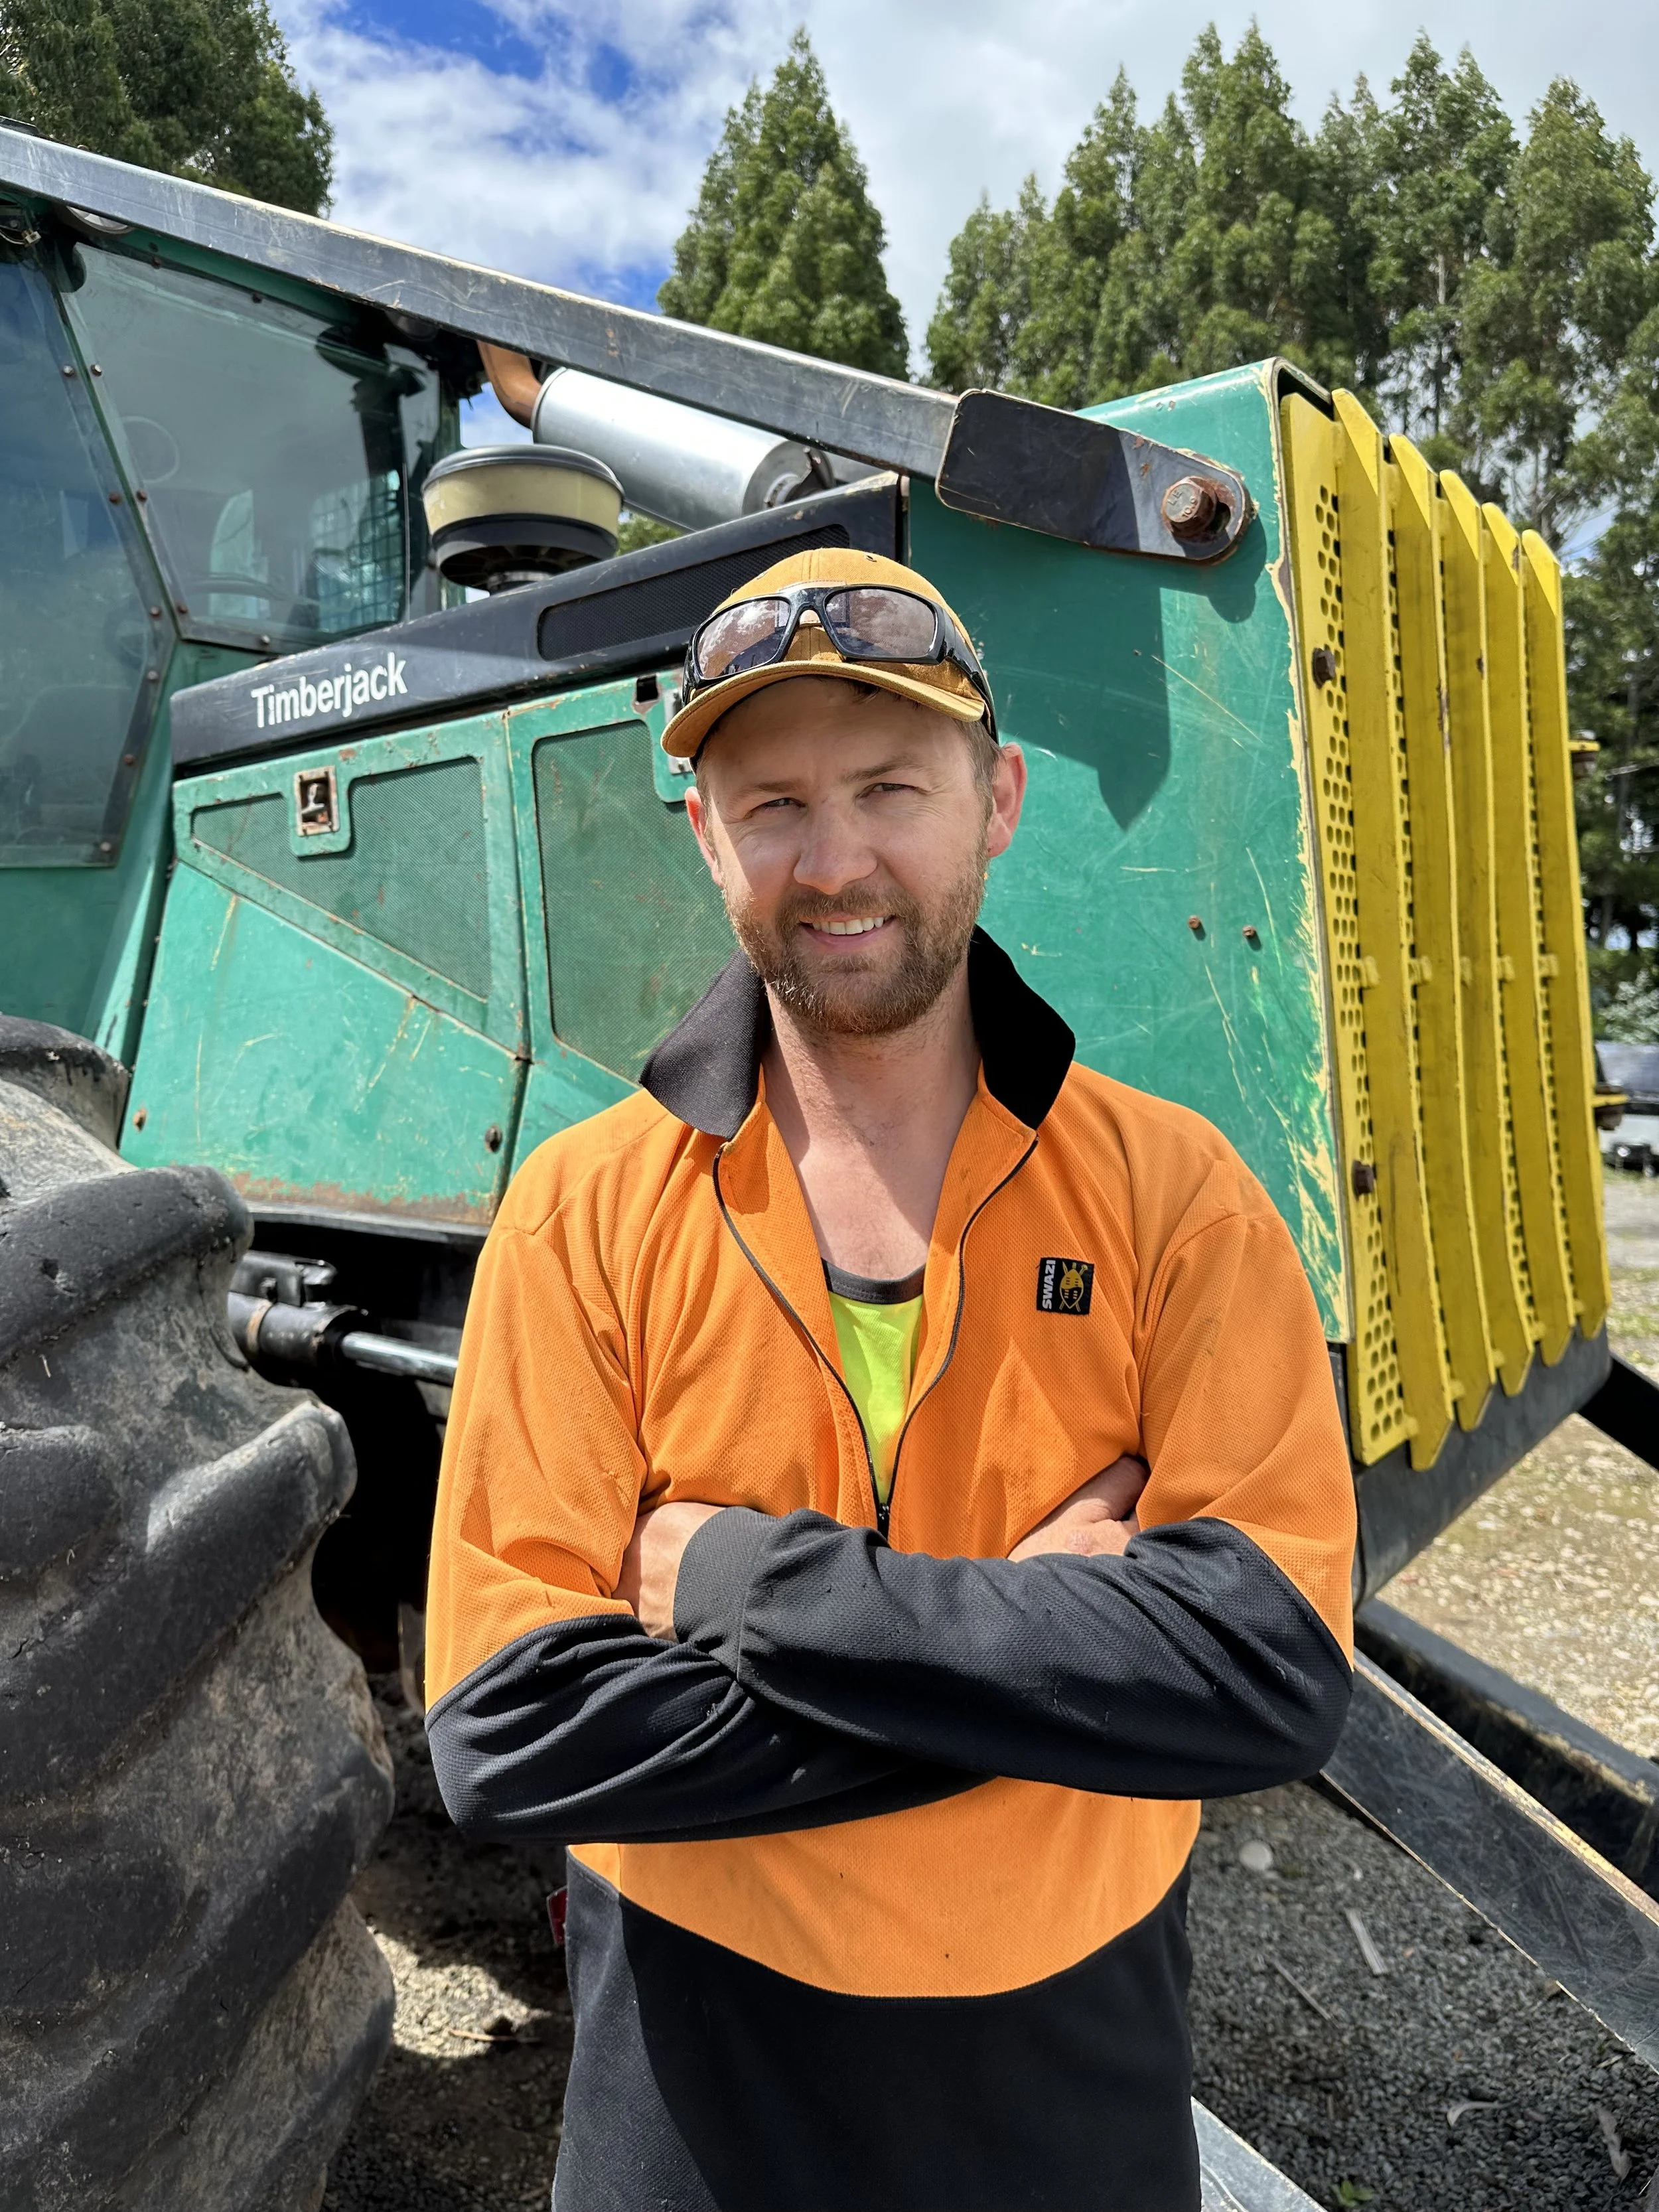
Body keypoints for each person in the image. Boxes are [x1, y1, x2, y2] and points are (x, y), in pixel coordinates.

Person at [423, 546, 1357, 2212]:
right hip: (693, 2091)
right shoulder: (581, 1211)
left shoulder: (1172, 1194)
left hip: (1066, 2078)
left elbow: (1268, 1669)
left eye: (889, 785)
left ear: (995, 800)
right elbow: (506, 1730)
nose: (833, 858)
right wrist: (1042, 1656)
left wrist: (731, 1576)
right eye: (769, 801)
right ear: (701, 828)